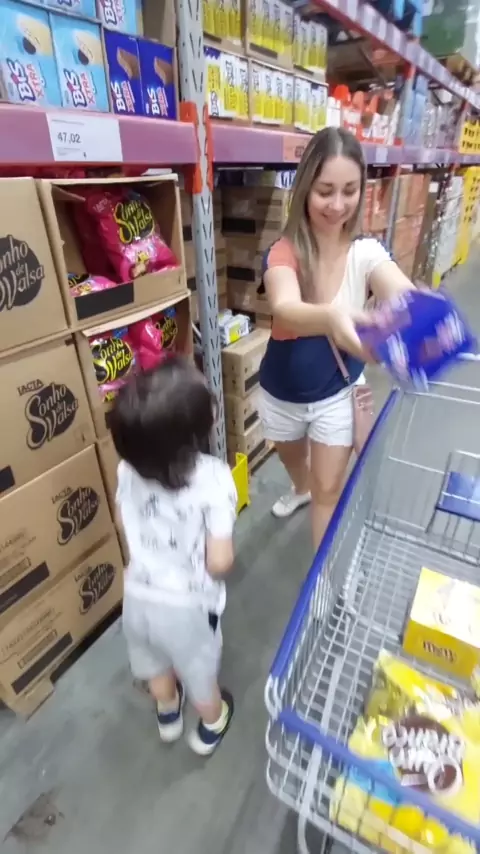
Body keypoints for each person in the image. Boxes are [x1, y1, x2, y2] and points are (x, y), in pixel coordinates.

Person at [258, 127, 414, 549]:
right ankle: (300, 488)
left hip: (337, 393)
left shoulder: (366, 252)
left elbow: (400, 292)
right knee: (293, 459)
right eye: (325, 191)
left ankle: (322, 579)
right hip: (281, 393)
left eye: (350, 191)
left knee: (329, 490)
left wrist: (417, 312)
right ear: (305, 188)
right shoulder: (284, 251)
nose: (338, 204)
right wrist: (332, 317)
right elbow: (284, 306)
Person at [110, 357, 237, 756]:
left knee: (153, 662)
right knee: (198, 671)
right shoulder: (213, 478)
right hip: (187, 605)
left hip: (138, 593)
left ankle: (168, 713)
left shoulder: (127, 470)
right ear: (196, 434)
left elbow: (122, 519)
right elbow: (219, 561)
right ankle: (212, 722)